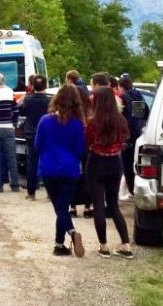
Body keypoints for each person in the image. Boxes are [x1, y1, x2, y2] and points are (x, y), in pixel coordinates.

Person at [36, 84, 87, 257]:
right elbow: (80, 150)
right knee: (63, 207)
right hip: (69, 169)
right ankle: (60, 243)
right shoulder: (77, 124)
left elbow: (37, 145)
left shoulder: (45, 120)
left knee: (60, 209)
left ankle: (65, 239)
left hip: (49, 168)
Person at [86, 86, 134, 259]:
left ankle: (104, 246)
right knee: (114, 206)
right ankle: (126, 245)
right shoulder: (121, 120)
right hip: (115, 162)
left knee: (98, 205)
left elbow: (88, 142)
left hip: (97, 162)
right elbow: (125, 139)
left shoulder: (93, 122)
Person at [66, 70, 93, 218]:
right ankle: (88, 206)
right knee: (88, 172)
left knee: (72, 171)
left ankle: (72, 206)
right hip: (86, 139)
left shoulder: (69, 107)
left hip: (72, 139)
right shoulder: (88, 102)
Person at [20, 74, 50, 200]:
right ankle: (49, 192)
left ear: (32, 86)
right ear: (45, 86)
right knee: (47, 161)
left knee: (31, 162)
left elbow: (22, 111)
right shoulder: (49, 100)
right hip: (47, 133)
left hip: (31, 133)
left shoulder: (27, 99)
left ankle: (31, 192)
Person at [118, 74, 145, 196]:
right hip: (138, 135)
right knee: (136, 164)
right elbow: (140, 118)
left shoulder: (123, 98)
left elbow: (123, 119)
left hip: (127, 137)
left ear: (121, 87)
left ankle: (132, 190)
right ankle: (135, 190)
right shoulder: (138, 96)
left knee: (127, 166)